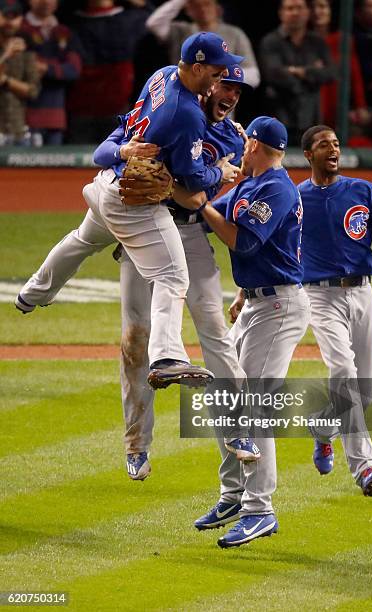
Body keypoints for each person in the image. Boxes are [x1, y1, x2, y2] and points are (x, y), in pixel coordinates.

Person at [15, 65, 259, 477]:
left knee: (216, 335)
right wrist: (128, 154)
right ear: (206, 82)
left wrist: (209, 187)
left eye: (237, 90)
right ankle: (136, 446)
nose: (231, 95)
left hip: (191, 236)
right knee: (134, 342)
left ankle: (239, 430)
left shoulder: (234, 136)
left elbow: (211, 195)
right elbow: (116, 150)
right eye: (225, 85)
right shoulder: (171, 114)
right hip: (142, 227)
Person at [15, 31, 243, 390]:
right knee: (172, 277)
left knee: (82, 239)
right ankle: (167, 356)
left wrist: (121, 152)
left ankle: (34, 292)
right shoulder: (186, 114)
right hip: (132, 205)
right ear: (197, 67)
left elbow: (121, 133)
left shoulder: (162, 75)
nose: (218, 81)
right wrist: (223, 172)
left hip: (108, 182)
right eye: (216, 73)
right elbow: (193, 179)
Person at [174, 116, 310, 548]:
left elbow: (244, 241)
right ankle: (233, 496)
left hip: (280, 306)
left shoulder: (275, 187)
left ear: (253, 144)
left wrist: (200, 206)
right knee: (223, 393)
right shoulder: (254, 182)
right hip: (256, 300)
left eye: (244, 139)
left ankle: (260, 510)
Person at [298, 124, 372, 496]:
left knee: (362, 394)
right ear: (308, 155)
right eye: (323, 145)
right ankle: (366, 466)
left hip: (363, 294)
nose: (332, 149)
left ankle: (323, 427)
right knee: (344, 370)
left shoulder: (361, 190)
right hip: (320, 297)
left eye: (335, 143)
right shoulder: (295, 198)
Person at [66, 0, 154, 143]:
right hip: (80, 109)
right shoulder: (71, 23)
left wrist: (143, 5)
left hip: (119, 107)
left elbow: (156, 23)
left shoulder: (133, 19)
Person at [258, 0, 336, 145]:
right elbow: (273, 74)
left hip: (312, 118)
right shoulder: (270, 41)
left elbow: (331, 73)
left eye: (299, 8)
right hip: (279, 117)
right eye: (290, 8)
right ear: (281, 13)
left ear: (307, 12)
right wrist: (312, 72)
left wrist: (298, 71)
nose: (295, 13)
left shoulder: (318, 42)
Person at [145, 0, 260, 88]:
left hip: (220, 102)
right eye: (197, 5)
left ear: (218, 9)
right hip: (183, 96)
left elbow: (254, 76)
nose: (203, 9)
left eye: (207, 4)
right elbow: (153, 23)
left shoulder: (235, 34)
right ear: (188, 10)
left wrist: (219, 74)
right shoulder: (180, 30)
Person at [21, 0, 82, 146]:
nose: (46, 1)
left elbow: (74, 70)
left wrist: (46, 68)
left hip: (55, 118)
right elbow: (24, 67)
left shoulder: (65, 32)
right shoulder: (19, 29)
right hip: (22, 117)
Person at [310, 0, 370, 130]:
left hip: (336, 102)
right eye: (313, 7)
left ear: (331, 11)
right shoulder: (304, 41)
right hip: (312, 105)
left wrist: (361, 105)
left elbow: (355, 74)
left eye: (322, 7)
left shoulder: (342, 40)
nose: (317, 12)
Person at [0, 0, 40, 145]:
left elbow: (33, 91)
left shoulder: (25, 50)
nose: (10, 21)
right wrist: (6, 55)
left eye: (15, 16)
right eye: (6, 16)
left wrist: (5, 81)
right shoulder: (11, 51)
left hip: (19, 132)